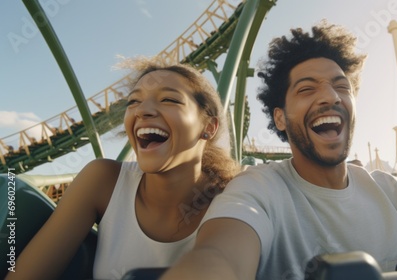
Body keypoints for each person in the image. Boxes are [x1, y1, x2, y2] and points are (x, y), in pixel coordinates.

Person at [162, 21, 397, 280]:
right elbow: (220, 256)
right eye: (307, 88)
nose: (331, 97)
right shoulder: (256, 190)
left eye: (342, 87)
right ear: (280, 117)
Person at [6, 59, 239, 279]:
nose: (141, 110)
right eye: (133, 102)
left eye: (169, 100)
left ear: (208, 126)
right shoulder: (103, 180)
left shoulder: (236, 197)